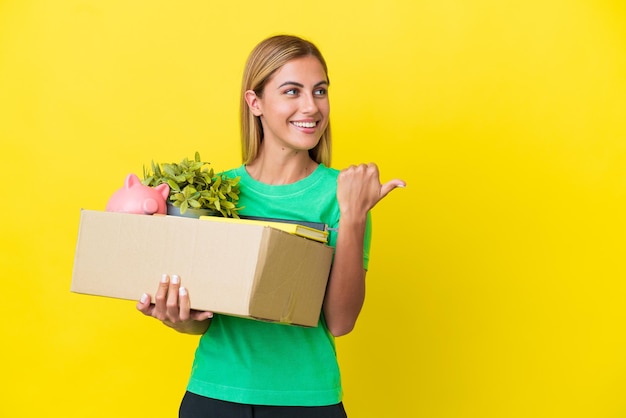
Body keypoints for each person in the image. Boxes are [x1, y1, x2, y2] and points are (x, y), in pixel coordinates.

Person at [137, 34, 405, 417]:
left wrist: (354, 216)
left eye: (320, 91)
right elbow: (208, 319)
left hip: (307, 401)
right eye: (292, 91)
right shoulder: (215, 193)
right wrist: (179, 318)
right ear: (255, 102)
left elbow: (341, 321)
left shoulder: (343, 193)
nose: (311, 107)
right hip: (215, 396)